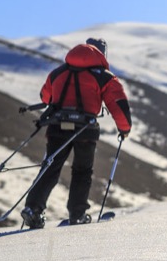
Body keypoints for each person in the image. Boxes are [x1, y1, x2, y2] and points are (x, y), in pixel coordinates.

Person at [21, 38, 132, 228]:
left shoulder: (59, 72)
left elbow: (45, 96)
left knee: (50, 168)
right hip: (85, 129)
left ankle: (33, 208)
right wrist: (124, 128)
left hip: (57, 126)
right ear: (101, 54)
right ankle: (77, 214)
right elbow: (118, 104)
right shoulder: (104, 76)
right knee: (82, 171)